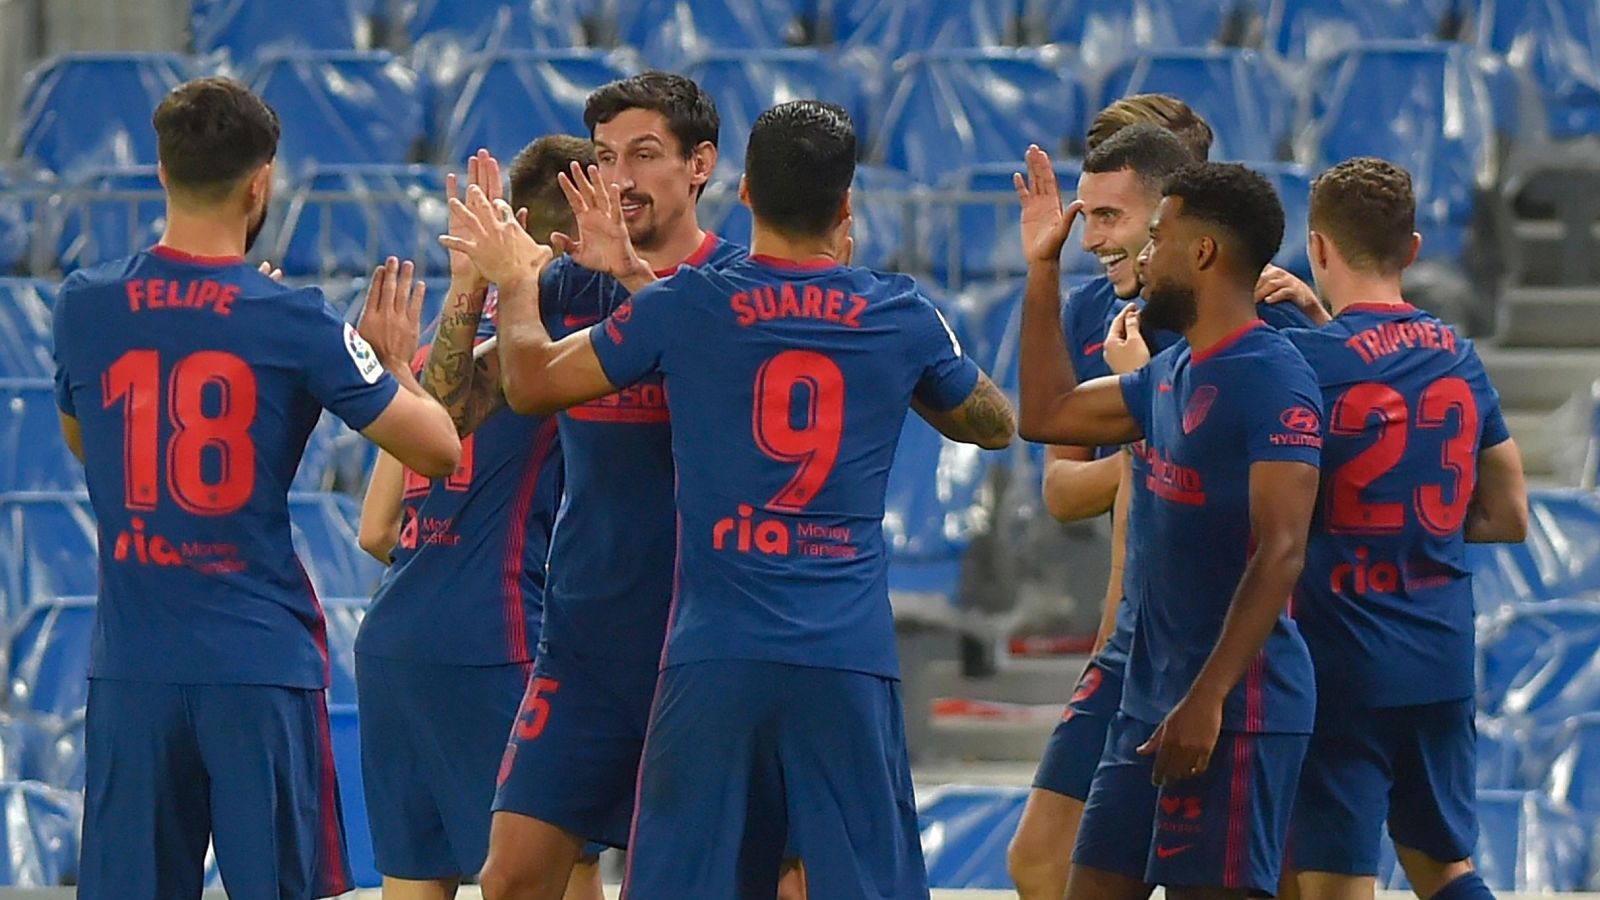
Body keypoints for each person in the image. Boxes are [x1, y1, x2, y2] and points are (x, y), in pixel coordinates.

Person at [443, 98, 1014, 898]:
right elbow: (994, 423)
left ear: (741, 192)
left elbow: (530, 381)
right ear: (847, 206)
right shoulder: (899, 313)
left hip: (715, 652)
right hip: (845, 656)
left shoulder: (694, 304)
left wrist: (513, 280)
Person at [50, 75, 460, 900]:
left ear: (161, 172)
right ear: (261, 181)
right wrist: (388, 359)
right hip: (257, 669)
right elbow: (441, 449)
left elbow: (84, 443)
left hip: (133, 671)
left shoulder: (84, 306)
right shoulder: (295, 318)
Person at [420, 73, 744, 900]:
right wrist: (477, 284)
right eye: (604, 158)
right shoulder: (566, 289)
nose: (621, 179)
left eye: (643, 155)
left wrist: (638, 279)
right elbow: (449, 420)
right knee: (512, 878)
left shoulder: (741, 288)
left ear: (700, 164)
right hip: (586, 643)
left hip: (705, 647)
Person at [1011, 109, 1319, 899]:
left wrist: (1207, 697)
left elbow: (1283, 550)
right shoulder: (1165, 377)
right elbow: (1045, 418)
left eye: (1160, 236)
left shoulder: (1270, 371)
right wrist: (1040, 269)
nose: (1144, 254)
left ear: (1203, 250)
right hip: (1144, 690)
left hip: (1233, 703)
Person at [353, 135, 597, 900]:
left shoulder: (438, 356)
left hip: (392, 648)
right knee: (560, 875)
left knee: (416, 882)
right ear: (568, 238)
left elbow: (376, 530)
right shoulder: (557, 351)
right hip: (493, 646)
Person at [1281, 158, 1528, 900]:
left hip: (1345, 660)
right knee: (1442, 867)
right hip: (1441, 654)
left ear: (1317, 248)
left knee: (1334, 879)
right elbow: (1510, 513)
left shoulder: (1304, 361)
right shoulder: (1457, 354)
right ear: (1412, 248)